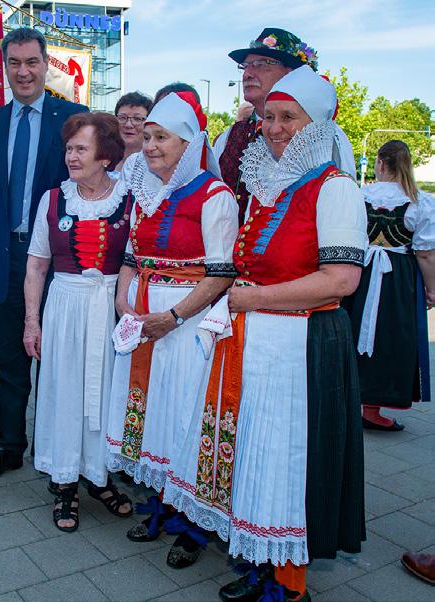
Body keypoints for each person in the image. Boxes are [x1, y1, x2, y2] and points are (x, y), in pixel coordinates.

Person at [165, 66, 366, 602]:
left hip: (301, 344)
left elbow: (341, 280)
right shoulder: (266, 187)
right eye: (269, 117)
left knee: (287, 457)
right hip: (257, 342)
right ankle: (261, 560)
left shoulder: (335, 188)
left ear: (317, 124)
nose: (274, 128)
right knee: (256, 450)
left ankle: (289, 583)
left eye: (288, 118)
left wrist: (253, 298)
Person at [105, 91, 238, 568]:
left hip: (189, 321)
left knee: (186, 414)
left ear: (189, 143)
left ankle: (193, 526)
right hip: (145, 317)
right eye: (147, 137)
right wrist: (123, 301)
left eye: (162, 137)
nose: (150, 146)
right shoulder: (145, 191)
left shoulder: (214, 196)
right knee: (155, 411)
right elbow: (131, 256)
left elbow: (221, 273)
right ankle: (163, 504)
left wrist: (176, 316)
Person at [0, 27, 88, 485]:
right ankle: (9, 446)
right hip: (4, 259)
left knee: (56, 362)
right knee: (11, 361)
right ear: (4, 67)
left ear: (45, 64)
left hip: (59, 264)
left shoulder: (72, 119)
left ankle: (59, 453)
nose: (23, 72)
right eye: (14, 63)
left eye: (31, 62)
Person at [23, 112, 134, 531]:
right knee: (64, 390)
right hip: (65, 305)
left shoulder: (131, 199)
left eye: (81, 149)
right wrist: (32, 322)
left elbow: (137, 260)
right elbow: (37, 265)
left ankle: (98, 476)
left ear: (105, 156)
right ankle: (64, 481)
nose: (71, 156)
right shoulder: (53, 199)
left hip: (109, 306)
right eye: (69, 148)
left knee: (106, 393)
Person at [214, 28, 356, 223]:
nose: (247, 74)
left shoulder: (325, 137)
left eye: (261, 64)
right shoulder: (230, 136)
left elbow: (342, 212)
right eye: (245, 66)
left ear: (292, 73)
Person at [342, 140, 435, 431]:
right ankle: (372, 409)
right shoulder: (419, 200)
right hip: (398, 278)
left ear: (380, 163)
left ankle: (346, 401)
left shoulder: (360, 194)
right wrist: (431, 289)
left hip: (359, 271)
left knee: (352, 329)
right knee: (391, 337)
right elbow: (425, 253)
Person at [113, 91, 153, 176]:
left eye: (137, 119)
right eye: (122, 118)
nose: (128, 125)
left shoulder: (155, 164)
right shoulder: (102, 158)